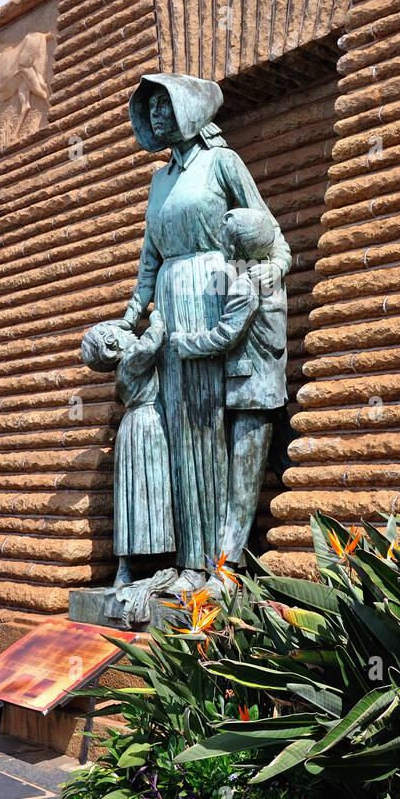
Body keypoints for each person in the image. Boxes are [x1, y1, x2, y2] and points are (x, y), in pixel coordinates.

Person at [122, 73, 291, 573]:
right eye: (149, 108)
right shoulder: (159, 181)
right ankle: (183, 561)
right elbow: (149, 258)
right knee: (178, 429)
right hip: (173, 303)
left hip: (215, 295)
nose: (156, 114)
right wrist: (133, 316)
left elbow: (272, 235)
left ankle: (215, 563)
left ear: (190, 110)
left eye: (165, 104)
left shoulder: (223, 163)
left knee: (211, 426)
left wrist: (269, 272)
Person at [169, 208, 288, 566]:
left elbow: (225, 335)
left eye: (224, 241)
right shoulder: (270, 276)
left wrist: (185, 343)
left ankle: (225, 569)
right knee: (286, 469)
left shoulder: (244, 284)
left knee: (241, 488)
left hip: (252, 394)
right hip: (272, 389)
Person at [81, 312, 174, 585]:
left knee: (131, 497)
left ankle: (124, 570)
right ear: (112, 344)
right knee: (154, 490)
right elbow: (152, 342)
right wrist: (158, 314)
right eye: (120, 331)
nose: (131, 332)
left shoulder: (122, 369)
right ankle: (165, 559)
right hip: (148, 425)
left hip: (132, 428)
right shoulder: (132, 359)